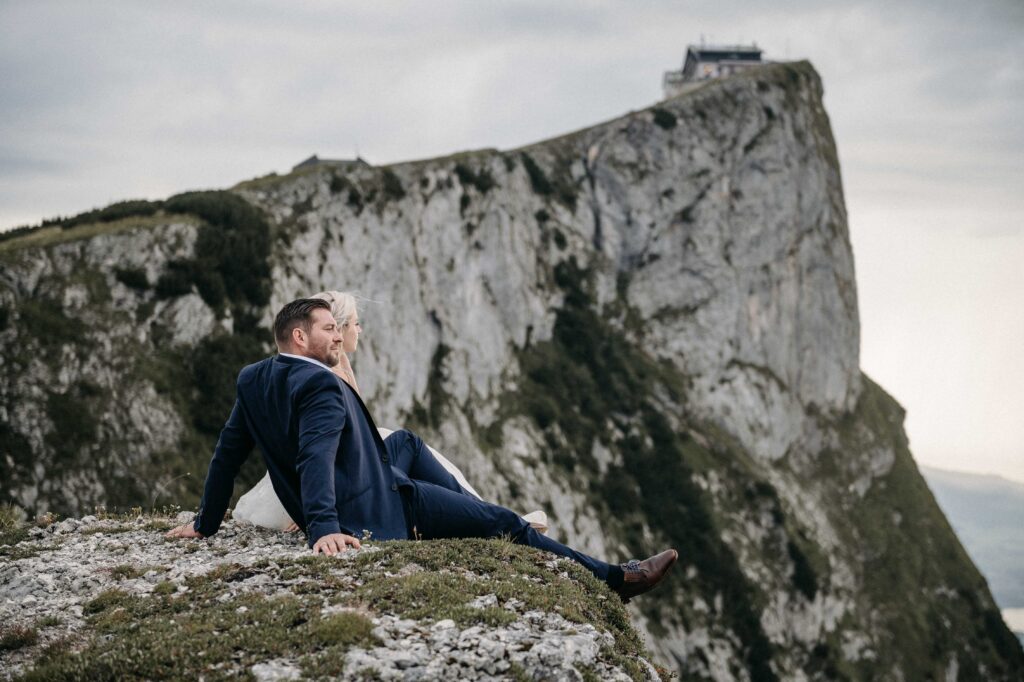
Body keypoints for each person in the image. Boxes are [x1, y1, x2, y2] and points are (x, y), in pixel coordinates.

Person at [168, 298, 677, 602]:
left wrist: (206, 522)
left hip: (378, 490)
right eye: (328, 329)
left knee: (419, 457)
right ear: (300, 337)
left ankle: (606, 571)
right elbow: (314, 454)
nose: (337, 338)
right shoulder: (321, 385)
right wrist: (323, 528)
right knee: (507, 525)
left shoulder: (254, 378)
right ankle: (617, 580)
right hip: (382, 508)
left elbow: (226, 454)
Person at [232, 291, 547, 533]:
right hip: (323, 491)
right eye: (353, 322)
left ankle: (485, 513)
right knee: (406, 447)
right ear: (337, 328)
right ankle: (486, 516)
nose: (358, 329)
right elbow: (318, 451)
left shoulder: (321, 367)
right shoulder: (324, 378)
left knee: (404, 445)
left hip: (317, 485)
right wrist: (317, 517)